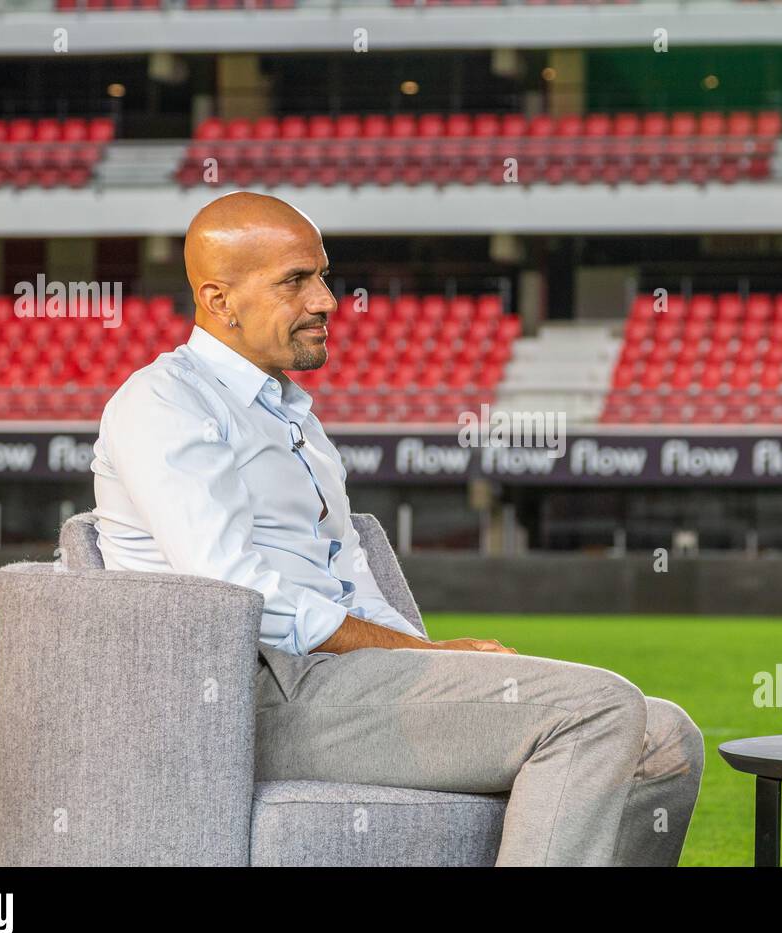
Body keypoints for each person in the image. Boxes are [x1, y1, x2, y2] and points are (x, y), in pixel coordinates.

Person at [90, 191, 703, 865]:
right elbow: (234, 591)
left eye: (322, 276)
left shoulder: (296, 420)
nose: (326, 301)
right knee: (600, 706)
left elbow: (350, 582)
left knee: (667, 735)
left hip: (333, 687)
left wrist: (425, 655)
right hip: (244, 701)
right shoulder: (164, 402)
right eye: (295, 281)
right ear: (218, 299)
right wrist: (423, 657)